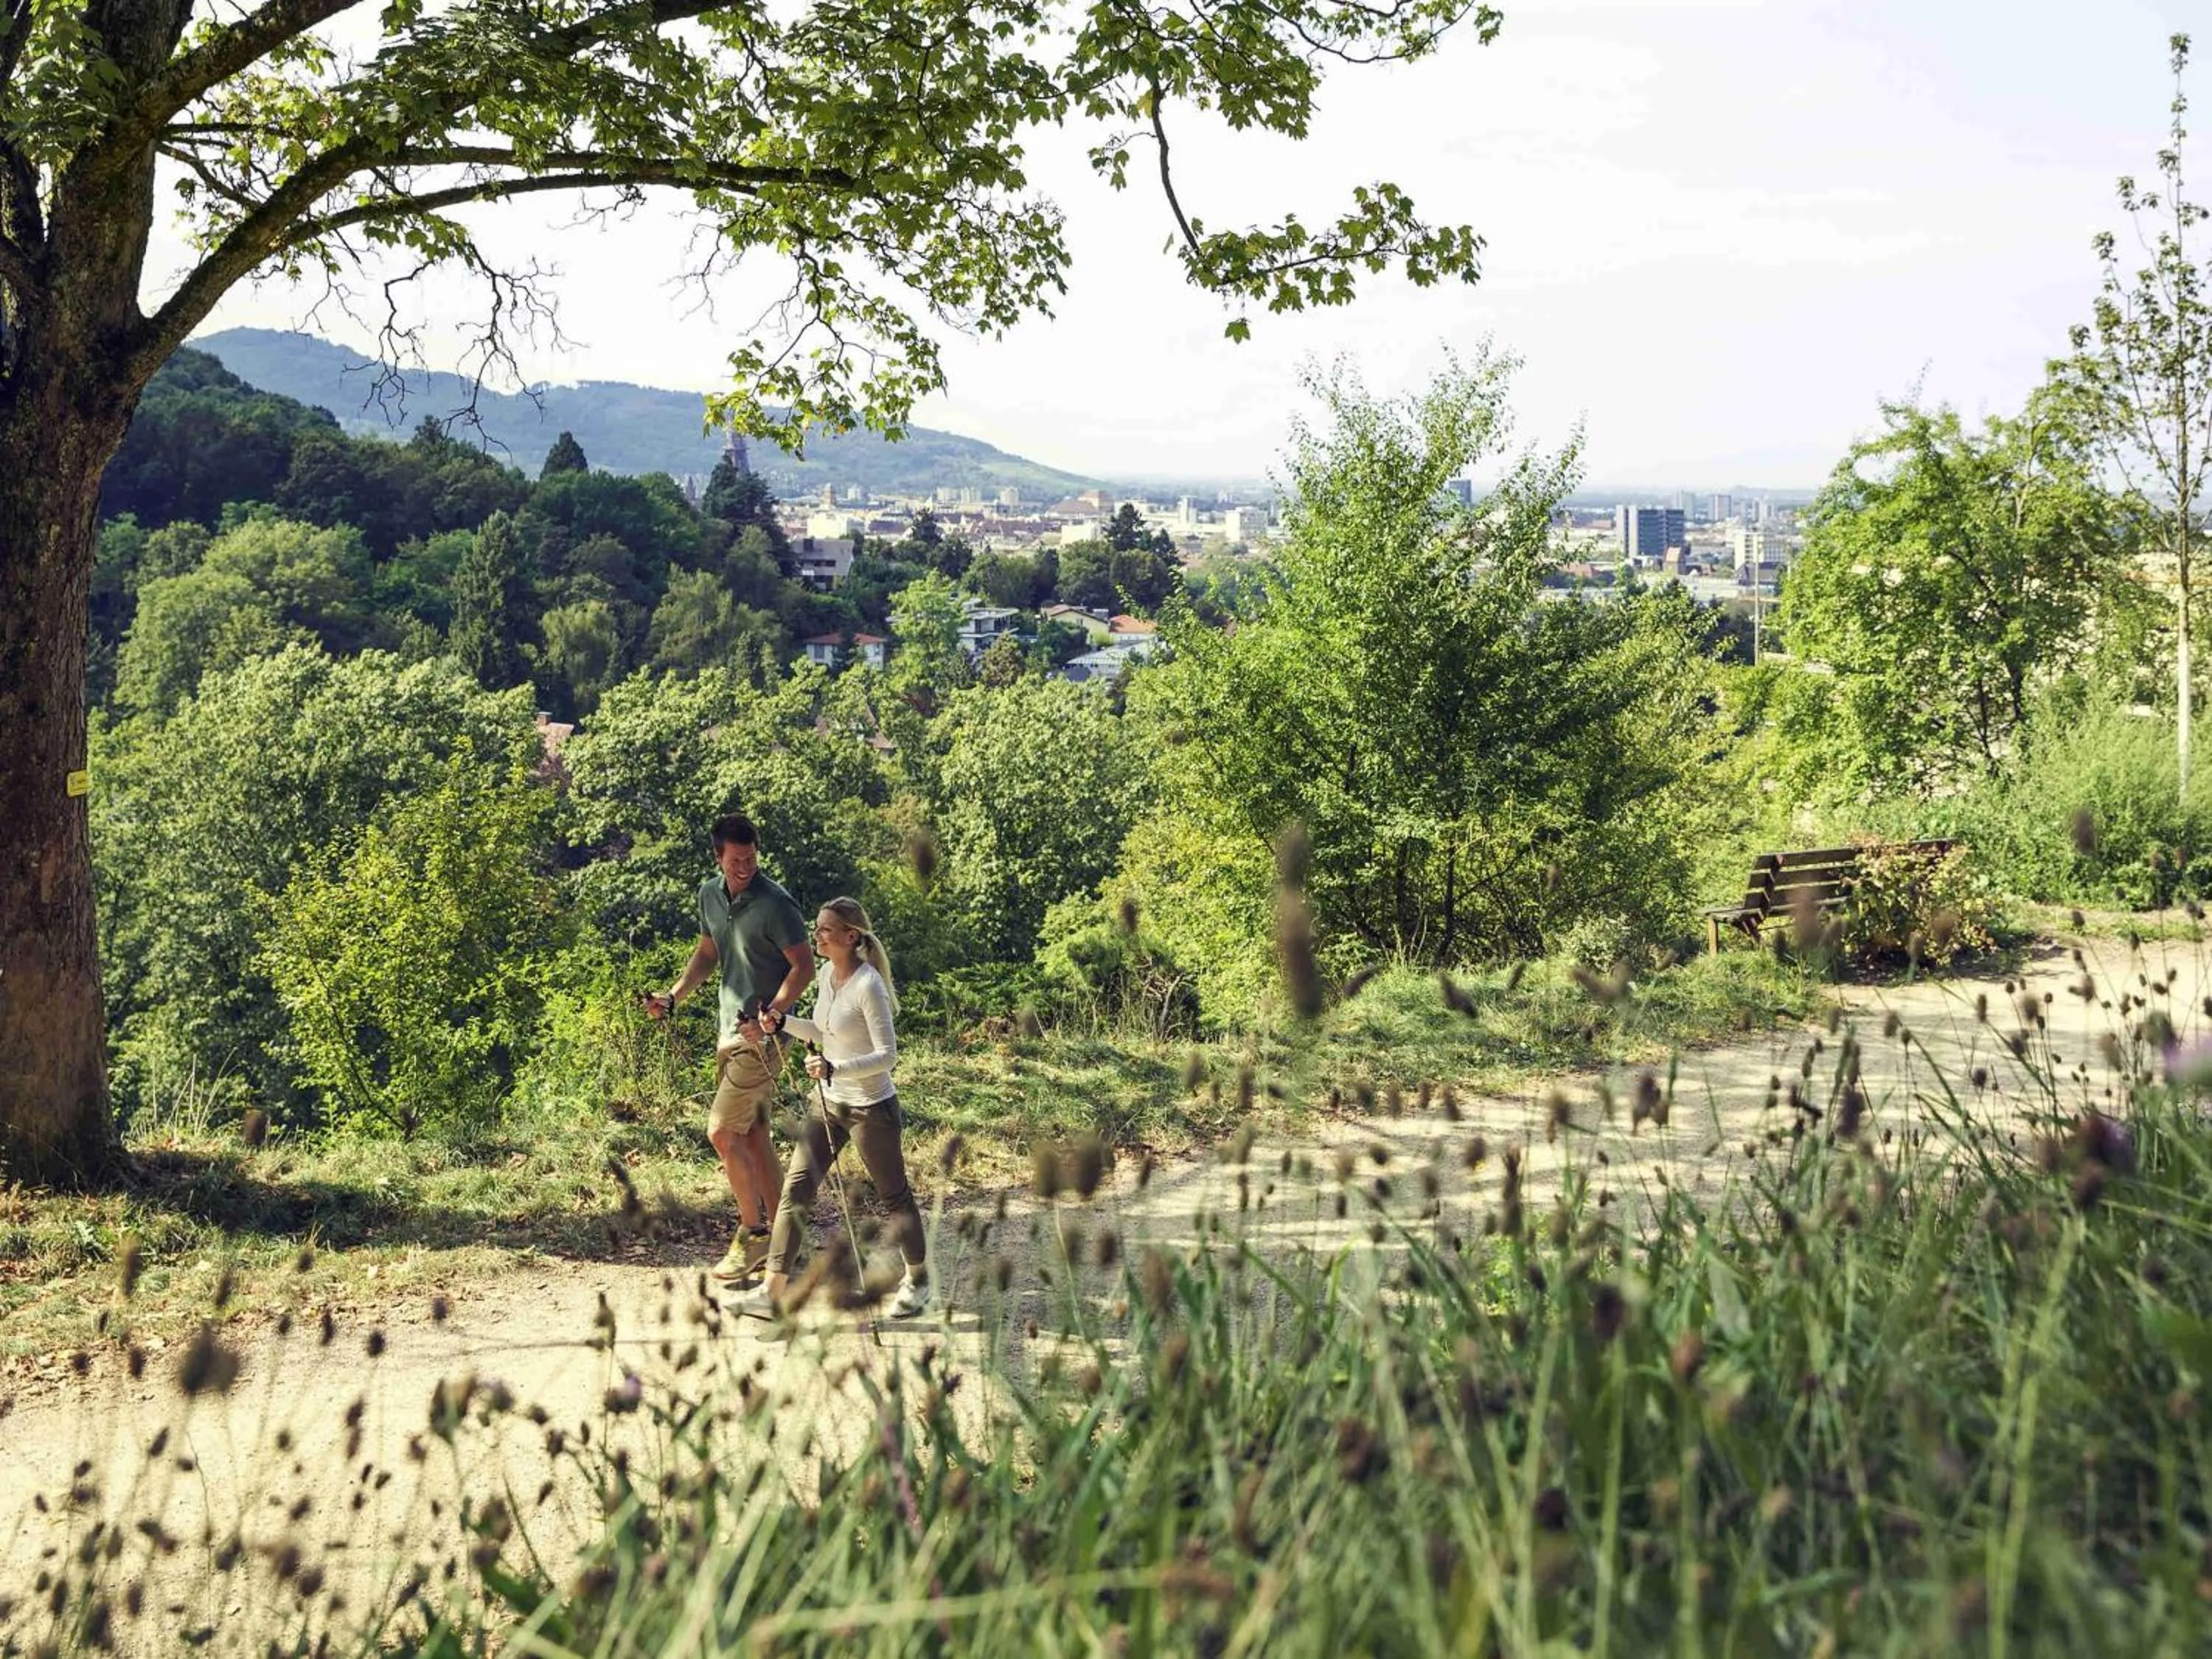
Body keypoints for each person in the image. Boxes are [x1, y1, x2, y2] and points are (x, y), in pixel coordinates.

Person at [737, 897, 931, 1321]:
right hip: (829, 1103)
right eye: (818, 927)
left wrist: (834, 1066)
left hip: (871, 1108)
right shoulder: (828, 974)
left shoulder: (869, 986)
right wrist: (782, 1022)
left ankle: (918, 1280)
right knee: (797, 1190)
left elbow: (888, 1055)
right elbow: (823, 1030)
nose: (818, 935)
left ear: (851, 936)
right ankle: (772, 1293)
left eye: (826, 930)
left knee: (894, 1196)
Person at [644, 813, 813, 1281]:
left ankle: (754, 1233)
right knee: (751, 1133)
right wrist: (673, 997)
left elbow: (804, 967)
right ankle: (789, 1238)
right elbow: (707, 953)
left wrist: (776, 1012)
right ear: (718, 857)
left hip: (763, 1037)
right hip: (727, 1030)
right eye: (736, 860)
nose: (745, 867)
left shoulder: (777, 904)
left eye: (752, 858)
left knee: (721, 1131)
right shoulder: (709, 895)